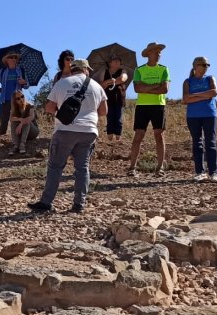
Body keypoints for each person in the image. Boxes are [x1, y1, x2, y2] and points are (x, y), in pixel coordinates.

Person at [28, 59, 107, 214]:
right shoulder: (97, 86)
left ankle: (46, 202)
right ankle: (79, 204)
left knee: (56, 167)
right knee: (82, 168)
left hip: (64, 129)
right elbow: (104, 111)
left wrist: (61, 113)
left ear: (73, 70)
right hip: (88, 131)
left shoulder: (62, 83)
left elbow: (49, 107)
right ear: (86, 70)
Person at [127, 42, 170, 177]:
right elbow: (137, 89)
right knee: (138, 136)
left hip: (158, 105)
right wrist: (154, 86)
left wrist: (146, 87)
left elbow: (164, 89)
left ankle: (160, 167)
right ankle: (132, 168)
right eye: (156, 51)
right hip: (142, 106)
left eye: (159, 52)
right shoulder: (139, 70)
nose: (158, 54)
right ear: (148, 54)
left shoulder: (164, 69)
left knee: (159, 135)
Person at [182, 56, 217, 183]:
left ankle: (214, 172)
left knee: (211, 142)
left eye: (207, 65)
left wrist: (195, 96)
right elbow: (185, 99)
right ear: (195, 66)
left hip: (209, 114)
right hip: (193, 115)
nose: (205, 67)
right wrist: (204, 95)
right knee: (197, 143)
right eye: (203, 65)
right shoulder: (187, 82)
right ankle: (200, 172)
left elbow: (214, 92)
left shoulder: (210, 78)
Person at [0, 51, 27, 137]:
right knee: (3, 122)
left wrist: (24, 82)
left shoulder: (21, 71)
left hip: (17, 101)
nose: (13, 59)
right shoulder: (2, 72)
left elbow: (27, 86)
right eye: (11, 57)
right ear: (7, 60)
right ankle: (2, 140)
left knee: (18, 120)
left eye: (15, 57)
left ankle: (18, 140)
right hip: (4, 100)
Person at [98, 55, 128, 141]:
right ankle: (110, 140)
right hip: (107, 99)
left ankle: (118, 140)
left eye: (119, 60)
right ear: (109, 63)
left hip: (119, 99)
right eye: (114, 60)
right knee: (110, 119)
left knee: (119, 119)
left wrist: (109, 82)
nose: (117, 62)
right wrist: (112, 81)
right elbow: (101, 85)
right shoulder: (104, 71)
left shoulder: (123, 70)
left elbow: (123, 79)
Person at [9, 91, 39, 155]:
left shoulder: (30, 106)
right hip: (22, 132)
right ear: (15, 101)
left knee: (27, 121)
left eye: (22, 96)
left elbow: (31, 117)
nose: (21, 99)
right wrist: (20, 119)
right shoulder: (14, 108)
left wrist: (21, 123)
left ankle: (22, 144)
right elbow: (11, 119)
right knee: (13, 123)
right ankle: (16, 145)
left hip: (33, 131)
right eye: (18, 98)